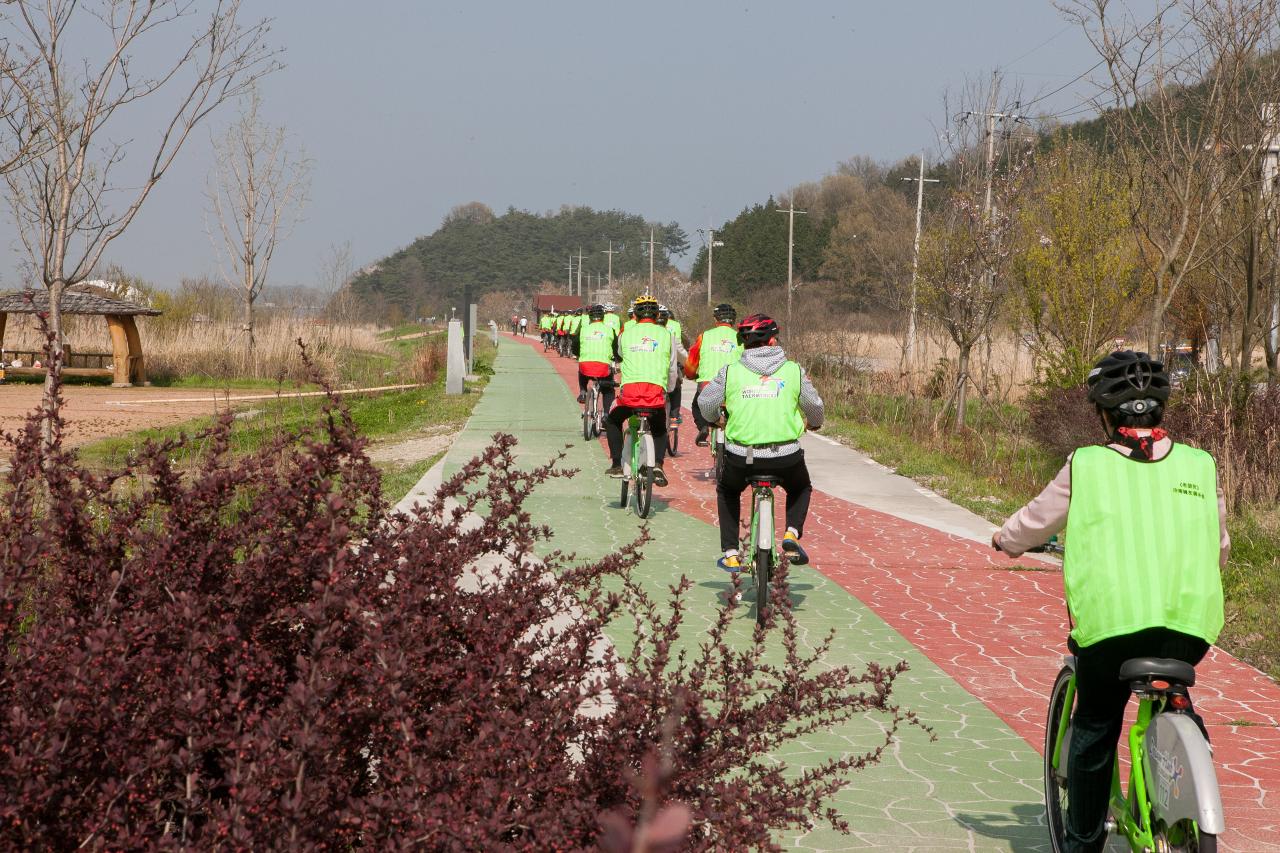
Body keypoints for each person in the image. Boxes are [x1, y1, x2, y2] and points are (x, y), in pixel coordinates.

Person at [993, 351, 1227, 853]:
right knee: (1176, 694)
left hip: (1111, 632)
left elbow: (1035, 521)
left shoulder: (1088, 464)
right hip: (1192, 628)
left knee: (1096, 726)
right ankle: (1189, 759)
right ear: (1160, 408)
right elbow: (1219, 544)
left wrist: (1005, 540)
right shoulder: (1201, 465)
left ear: (1104, 413)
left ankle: (1082, 842)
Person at [699, 313, 822, 571]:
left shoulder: (731, 371)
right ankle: (790, 533)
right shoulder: (793, 370)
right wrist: (814, 421)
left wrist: (716, 420)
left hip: (741, 457)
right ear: (773, 340)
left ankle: (731, 552)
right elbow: (814, 406)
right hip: (785, 457)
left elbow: (706, 402)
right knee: (801, 488)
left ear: (743, 343)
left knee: (728, 491)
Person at [605, 295, 677, 486]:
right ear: (657, 315)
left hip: (630, 395)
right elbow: (672, 369)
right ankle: (659, 464)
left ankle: (616, 464)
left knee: (612, 420)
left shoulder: (625, 334)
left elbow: (619, 355)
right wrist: (668, 390)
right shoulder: (667, 335)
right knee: (660, 430)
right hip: (655, 395)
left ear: (635, 314)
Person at [685, 303, 743, 446]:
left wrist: (691, 374)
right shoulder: (741, 338)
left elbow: (692, 361)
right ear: (733, 320)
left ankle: (704, 427)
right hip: (733, 386)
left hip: (707, 385)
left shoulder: (704, 336)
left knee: (697, 406)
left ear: (715, 319)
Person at [576, 304, 617, 408]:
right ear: (603, 317)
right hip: (603, 368)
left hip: (586, 366)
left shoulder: (583, 329)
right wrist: (617, 358)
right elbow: (616, 348)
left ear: (590, 317)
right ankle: (607, 415)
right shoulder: (610, 330)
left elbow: (575, 345)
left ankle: (583, 391)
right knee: (608, 390)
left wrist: (578, 354)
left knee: (581, 371)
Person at [656, 305, 688, 426]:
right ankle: (674, 416)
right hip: (669, 369)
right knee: (676, 386)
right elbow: (682, 353)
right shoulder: (671, 333)